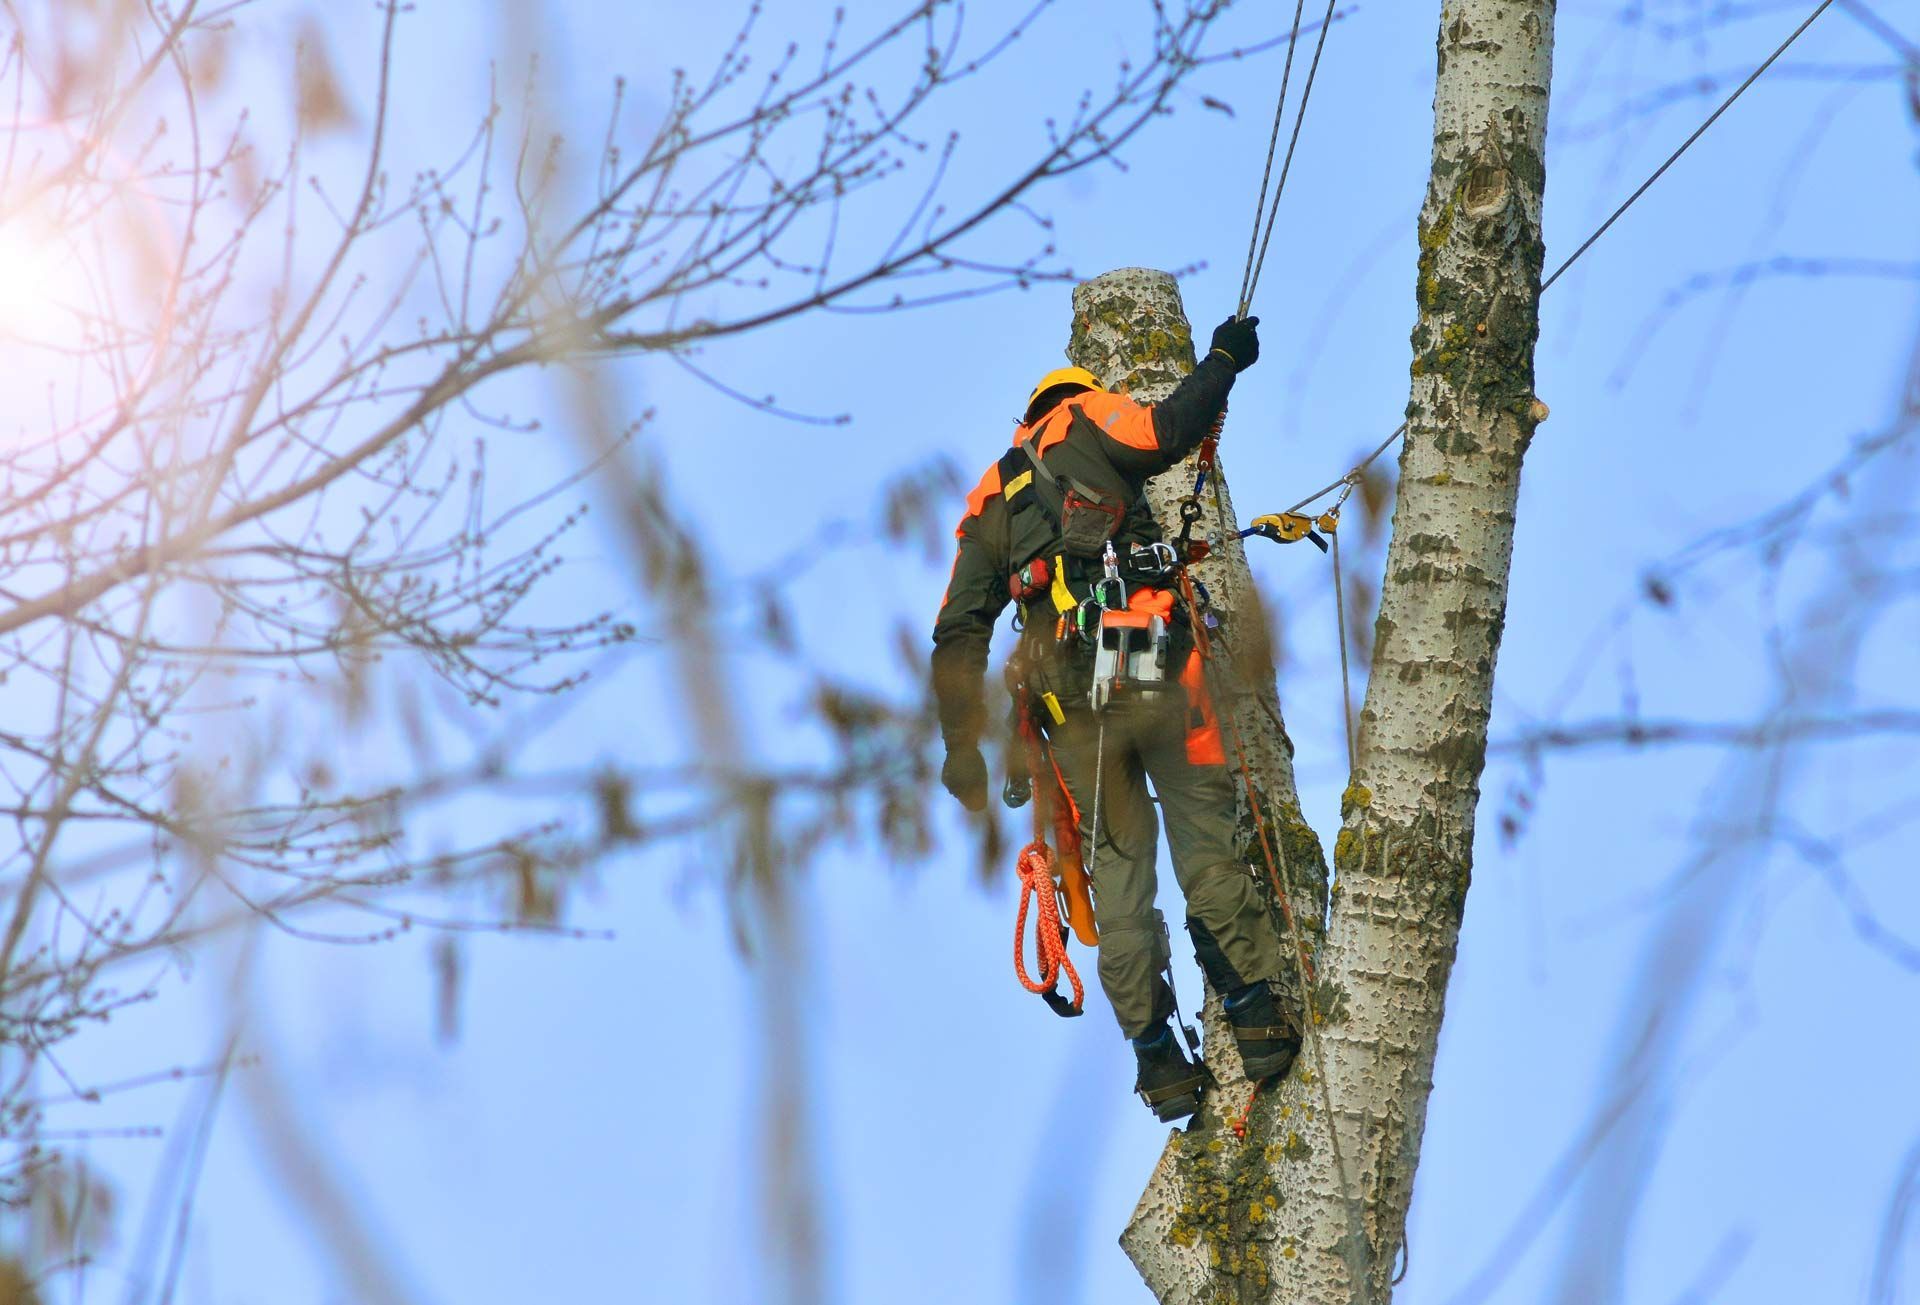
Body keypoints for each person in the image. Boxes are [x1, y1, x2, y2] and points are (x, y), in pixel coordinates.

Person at [930, 314, 1301, 1121]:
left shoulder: (988, 503)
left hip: (1067, 708)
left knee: (1119, 879)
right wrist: (1224, 361)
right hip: (1146, 661)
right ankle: (1254, 1010)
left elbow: (959, 630)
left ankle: (1158, 1058)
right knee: (1204, 830)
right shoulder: (1088, 419)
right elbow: (1165, 431)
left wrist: (960, 746)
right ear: (1074, 399)